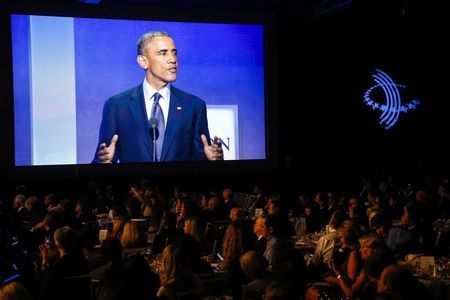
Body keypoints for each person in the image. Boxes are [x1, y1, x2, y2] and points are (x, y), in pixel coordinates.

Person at [93, 30, 223, 163]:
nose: (173, 59)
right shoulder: (117, 106)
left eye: (174, 53)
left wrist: (213, 160)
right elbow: (102, 158)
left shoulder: (194, 106)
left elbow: (201, 159)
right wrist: (104, 162)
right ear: (143, 61)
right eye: (163, 53)